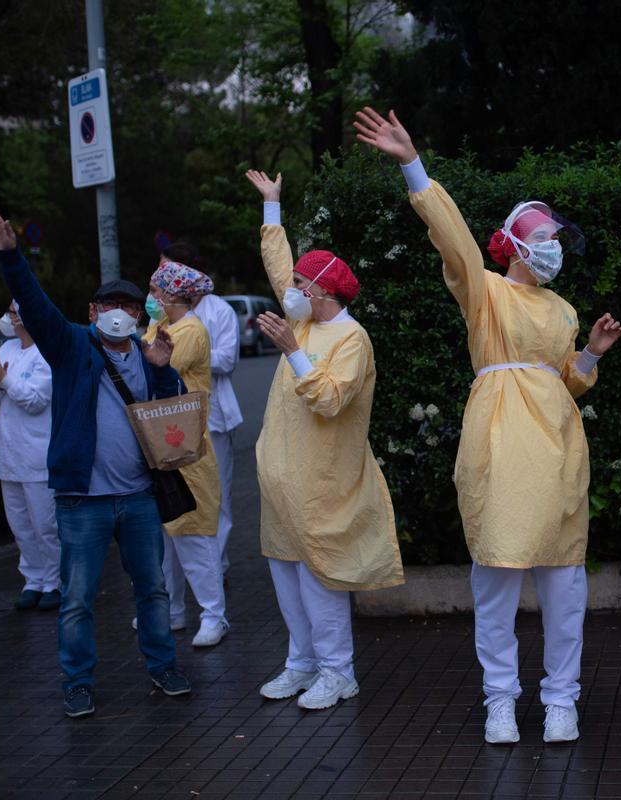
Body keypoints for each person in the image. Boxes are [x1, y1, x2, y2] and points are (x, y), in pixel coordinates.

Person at [354, 107, 621, 745]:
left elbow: (565, 379)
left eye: (557, 235)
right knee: (497, 579)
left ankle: (562, 699)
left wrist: (589, 354)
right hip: (500, 444)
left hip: (557, 447)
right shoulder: (485, 294)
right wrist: (412, 165)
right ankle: (499, 698)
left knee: (565, 584)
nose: (554, 244)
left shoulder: (562, 308)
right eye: (544, 234)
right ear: (516, 242)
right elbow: (454, 242)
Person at [0, 205, 193, 719]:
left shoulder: (148, 354)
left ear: (140, 316)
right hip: (82, 502)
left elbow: (168, 420)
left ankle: (162, 667)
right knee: (76, 599)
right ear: (93, 312)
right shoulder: (71, 346)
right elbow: (36, 304)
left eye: (130, 306)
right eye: (110, 304)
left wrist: (162, 373)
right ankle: (77, 682)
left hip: (138, 497)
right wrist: (10, 256)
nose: (121, 312)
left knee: (153, 590)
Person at [244, 168, 404, 711]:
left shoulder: (351, 338)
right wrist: (272, 207)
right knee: (286, 570)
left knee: (321, 575)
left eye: (302, 287)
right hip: (282, 476)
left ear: (325, 292)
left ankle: (339, 672)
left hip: (323, 480)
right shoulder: (309, 322)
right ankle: (302, 663)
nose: (292, 291)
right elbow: (279, 265)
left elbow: (330, 399)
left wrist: (292, 349)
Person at [142, 262, 227, 647]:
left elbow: (152, 366)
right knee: (166, 538)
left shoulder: (190, 331)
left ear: (173, 295)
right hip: (162, 442)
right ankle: (172, 610)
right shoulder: (164, 329)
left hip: (187, 446)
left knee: (194, 534)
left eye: (155, 290)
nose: (152, 298)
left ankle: (214, 615)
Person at [161, 241, 242, 577]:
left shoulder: (219, 310)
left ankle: (215, 563)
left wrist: (195, 353)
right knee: (179, 493)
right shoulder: (164, 315)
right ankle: (185, 566)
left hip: (214, 415)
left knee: (215, 492)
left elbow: (228, 358)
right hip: (175, 418)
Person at [0, 300, 60, 610]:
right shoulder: (7, 349)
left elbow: (35, 400)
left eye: (13, 313)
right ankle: (33, 580)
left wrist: (3, 378)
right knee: (21, 525)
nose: (9, 318)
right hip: (8, 453)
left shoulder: (47, 352)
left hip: (36, 454)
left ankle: (55, 581)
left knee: (45, 524)